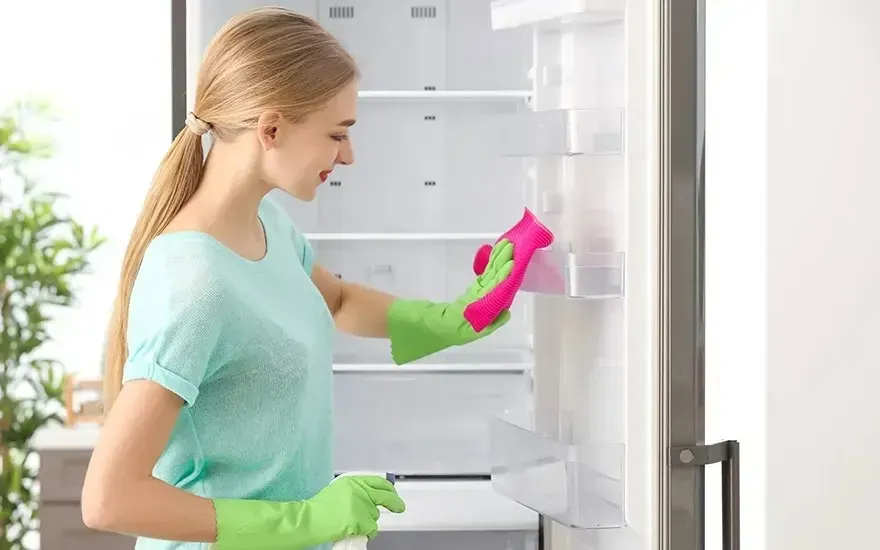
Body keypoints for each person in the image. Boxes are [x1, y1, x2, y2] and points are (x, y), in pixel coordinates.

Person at [80, 7, 515, 550]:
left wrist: (451, 320)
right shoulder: (194, 283)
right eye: (338, 134)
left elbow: (334, 302)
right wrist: (303, 521)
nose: (349, 155)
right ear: (271, 128)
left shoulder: (267, 226)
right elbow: (109, 498)